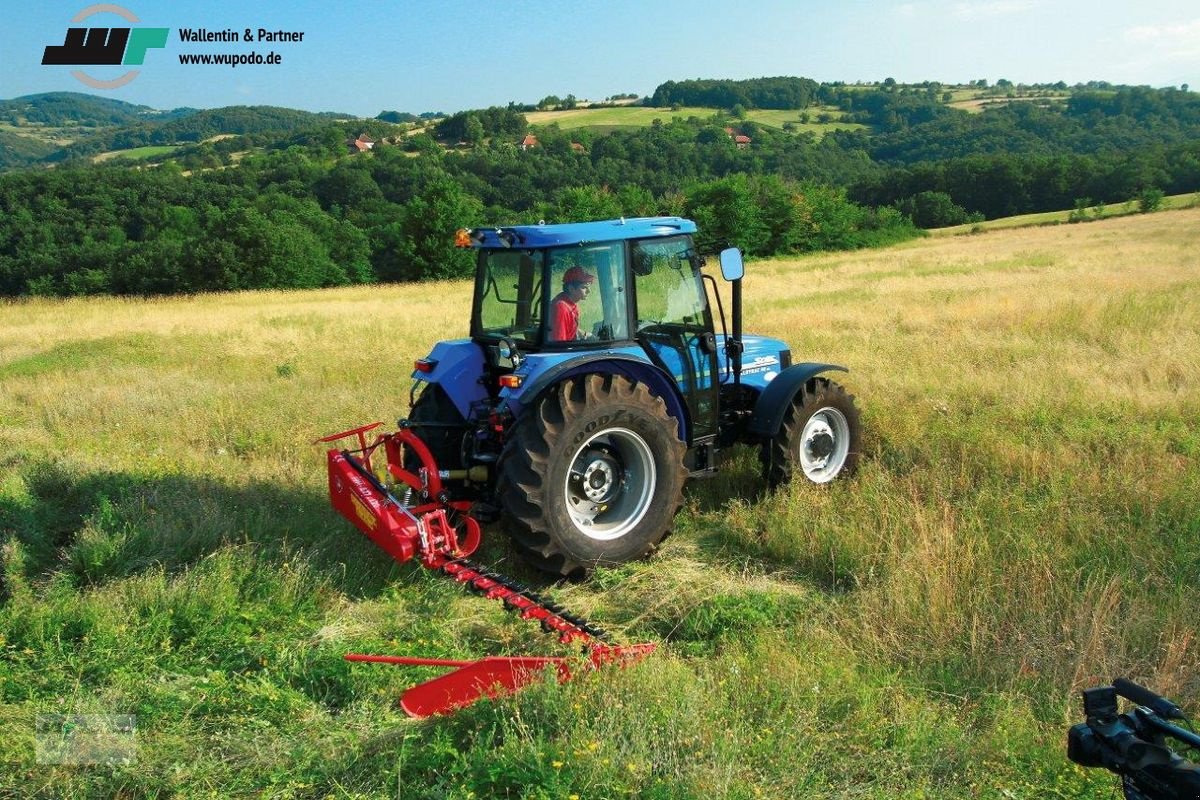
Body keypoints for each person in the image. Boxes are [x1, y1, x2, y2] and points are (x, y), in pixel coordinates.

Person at [549, 266, 595, 341]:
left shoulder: (570, 303)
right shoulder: (561, 308)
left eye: (589, 287)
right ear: (571, 289)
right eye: (584, 287)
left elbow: (569, 328)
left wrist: (585, 334)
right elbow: (559, 342)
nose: (589, 291)